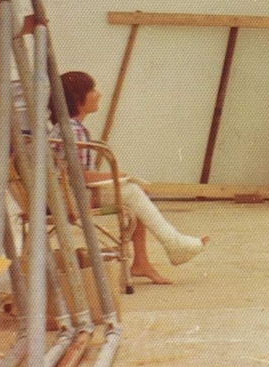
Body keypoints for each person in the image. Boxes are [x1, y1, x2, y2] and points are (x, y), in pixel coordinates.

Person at [51, 71, 209, 285]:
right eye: (92, 90)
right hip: (75, 200)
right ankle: (174, 244)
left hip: (68, 195)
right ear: (78, 98)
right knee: (132, 191)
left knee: (134, 193)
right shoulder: (73, 131)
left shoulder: (64, 127)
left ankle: (143, 262)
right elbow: (80, 177)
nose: (98, 94)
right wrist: (116, 176)